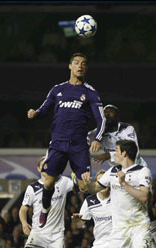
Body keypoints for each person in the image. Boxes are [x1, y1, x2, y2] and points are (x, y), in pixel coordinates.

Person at [87, 103, 156, 248]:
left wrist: (105, 155)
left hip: (137, 170)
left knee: (146, 213)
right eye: (105, 113)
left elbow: (134, 150)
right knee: (143, 216)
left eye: (111, 114)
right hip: (118, 175)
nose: (108, 116)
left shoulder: (126, 129)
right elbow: (85, 147)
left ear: (117, 117)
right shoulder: (94, 133)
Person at [26, 53, 106, 229]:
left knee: (85, 187)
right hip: (58, 143)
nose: (80, 66)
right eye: (76, 63)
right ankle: (45, 208)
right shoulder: (57, 89)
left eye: (84, 64)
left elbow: (101, 119)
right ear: (70, 66)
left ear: (86, 69)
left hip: (79, 146)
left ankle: (82, 201)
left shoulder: (90, 92)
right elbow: (44, 109)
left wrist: (98, 139)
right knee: (48, 182)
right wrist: (35, 113)